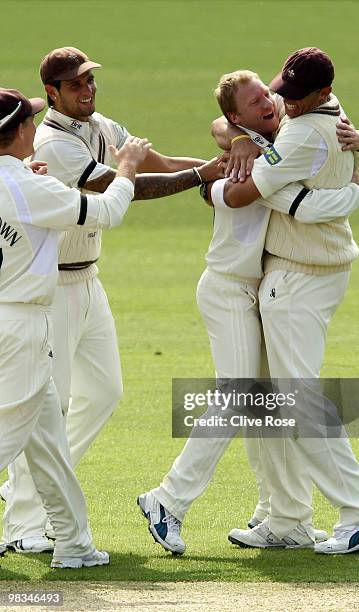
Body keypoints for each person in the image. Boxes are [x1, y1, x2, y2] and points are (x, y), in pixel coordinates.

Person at [1, 46, 223, 553]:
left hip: (87, 281)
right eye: (76, 84)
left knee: (103, 392)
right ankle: (24, 521)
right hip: (46, 290)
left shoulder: (100, 125)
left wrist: (222, 166)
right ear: (52, 93)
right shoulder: (53, 143)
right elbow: (121, 189)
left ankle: (34, 499)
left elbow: (156, 162)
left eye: (91, 80)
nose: (88, 90)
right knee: (42, 411)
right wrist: (198, 178)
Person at [137, 69, 359, 555]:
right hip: (227, 289)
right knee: (240, 396)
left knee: (269, 410)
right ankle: (168, 499)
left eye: (268, 94)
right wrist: (242, 146)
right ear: (236, 115)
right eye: (254, 103)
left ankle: (287, 519)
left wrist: (357, 144)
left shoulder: (286, 131)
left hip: (261, 290)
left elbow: (312, 127)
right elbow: (238, 184)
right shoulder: (236, 167)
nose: (268, 104)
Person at [207, 48, 359, 554]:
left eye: (293, 96)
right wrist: (241, 137)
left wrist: (224, 180)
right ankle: (285, 519)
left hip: (299, 278)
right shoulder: (319, 110)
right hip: (307, 271)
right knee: (273, 401)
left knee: (298, 402)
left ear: (324, 94)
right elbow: (225, 128)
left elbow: (248, 190)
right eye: (278, 90)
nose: (281, 102)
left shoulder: (307, 133)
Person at [0, 86, 150, 567]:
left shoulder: (23, 182)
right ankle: (54, 537)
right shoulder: (27, 187)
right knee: (9, 438)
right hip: (22, 325)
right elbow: (107, 210)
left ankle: (74, 544)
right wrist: (125, 168)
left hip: (17, 320)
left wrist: (29, 177)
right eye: (30, 121)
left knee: (46, 440)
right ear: (17, 131)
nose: (34, 128)